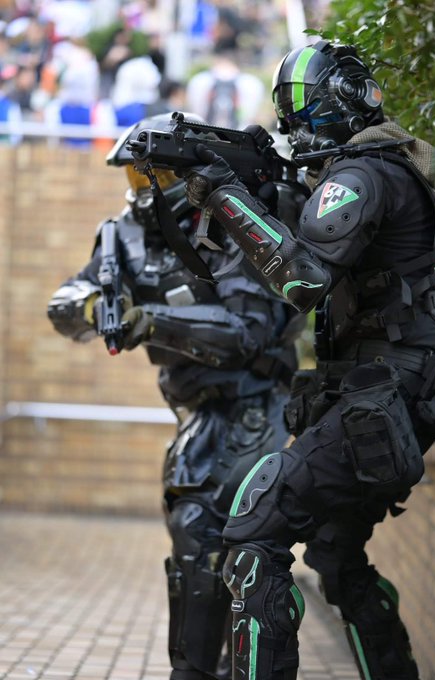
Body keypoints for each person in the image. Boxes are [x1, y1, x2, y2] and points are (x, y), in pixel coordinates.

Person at [178, 40, 435, 680]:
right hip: (393, 396)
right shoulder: (380, 168)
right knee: (335, 554)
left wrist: (224, 194)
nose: (293, 121)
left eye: (301, 106)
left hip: (392, 395)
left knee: (254, 529)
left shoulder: (366, 173)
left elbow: (302, 280)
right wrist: (255, 188)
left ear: (339, 102)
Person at [47, 112, 306, 680]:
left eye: (153, 176)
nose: (141, 189)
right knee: (199, 538)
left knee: (222, 537)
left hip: (255, 400)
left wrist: (150, 320)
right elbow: (62, 303)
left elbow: (246, 333)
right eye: (134, 177)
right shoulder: (125, 235)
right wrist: (93, 307)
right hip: (197, 411)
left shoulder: (233, 221)